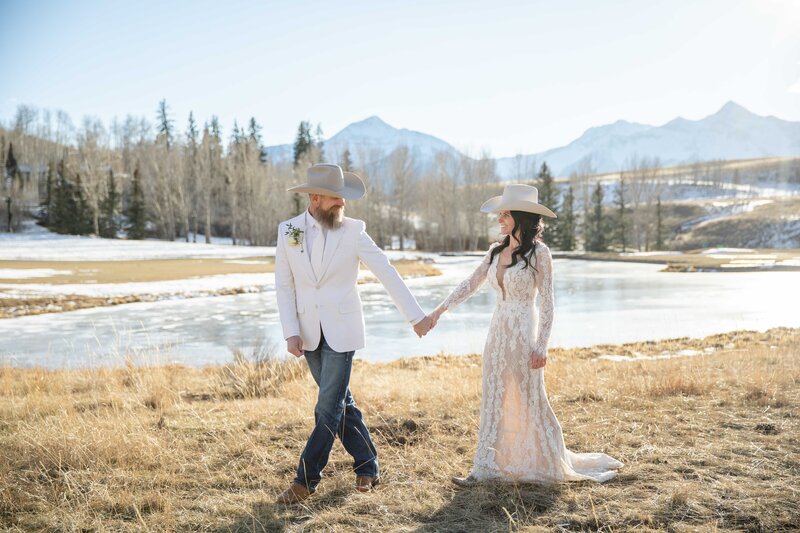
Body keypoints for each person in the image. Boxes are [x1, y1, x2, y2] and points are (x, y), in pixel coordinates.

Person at [429, 184, 623, 484]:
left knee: (530, 398)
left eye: (505, 214)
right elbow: (470, 283)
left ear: (521, 217)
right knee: (495, 396)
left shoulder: (540, 253)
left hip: (524, 333)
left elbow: (547, 302)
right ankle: (485, 468)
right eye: (500, 214)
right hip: (497, 333)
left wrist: (541, 346)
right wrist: (438, 311)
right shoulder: (495, 251)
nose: (499, 220)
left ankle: (545, 458)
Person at [275, 163, 433, 504]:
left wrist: (415, 317)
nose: (342, 204)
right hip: (308, 332)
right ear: (315, 198)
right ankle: (368, 464)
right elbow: (284, 285)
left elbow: (386, 272)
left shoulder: (354, 231)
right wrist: (290, 332)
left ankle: (305, 480)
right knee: (341, 402)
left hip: (342, 331)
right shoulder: (288, 231)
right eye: (336, 198)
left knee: (327, 407)